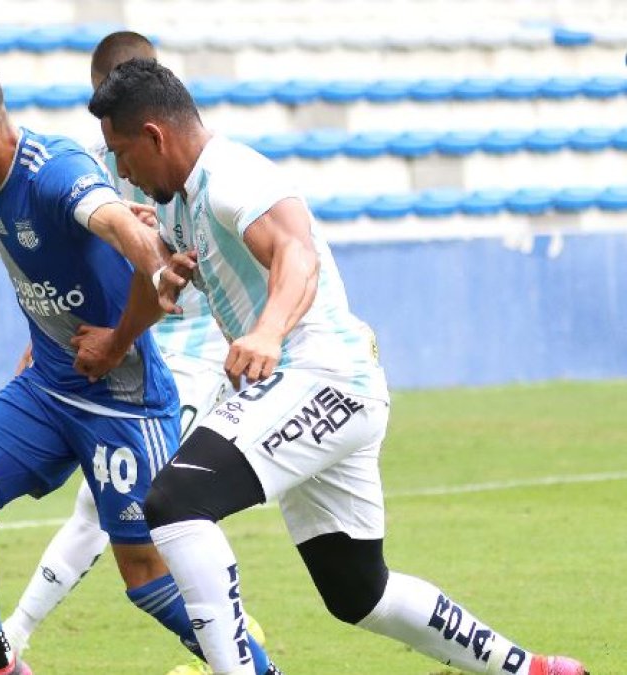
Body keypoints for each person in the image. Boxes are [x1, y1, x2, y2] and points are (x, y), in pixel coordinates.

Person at [84, 57, 588, 675]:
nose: (120, 169)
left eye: (121, 152)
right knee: (359, 593)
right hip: (322, 386)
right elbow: (157, 279)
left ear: (155, 136)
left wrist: (268, 332)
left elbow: (296, 252)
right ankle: (532, 669)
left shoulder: (232, 176)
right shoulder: (178, 200)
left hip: (318, 374)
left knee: (175, 500)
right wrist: (116, 342)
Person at [0, 31, 276, 675]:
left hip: (185, 352)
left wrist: (136, 311)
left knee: (137, 517)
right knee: (133, 518)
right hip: (104, 347)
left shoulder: (189, 157)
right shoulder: (95, 155)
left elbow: (157, 256)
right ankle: (219, 638)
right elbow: (72, 276)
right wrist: (38, 353)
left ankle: (220, 641)